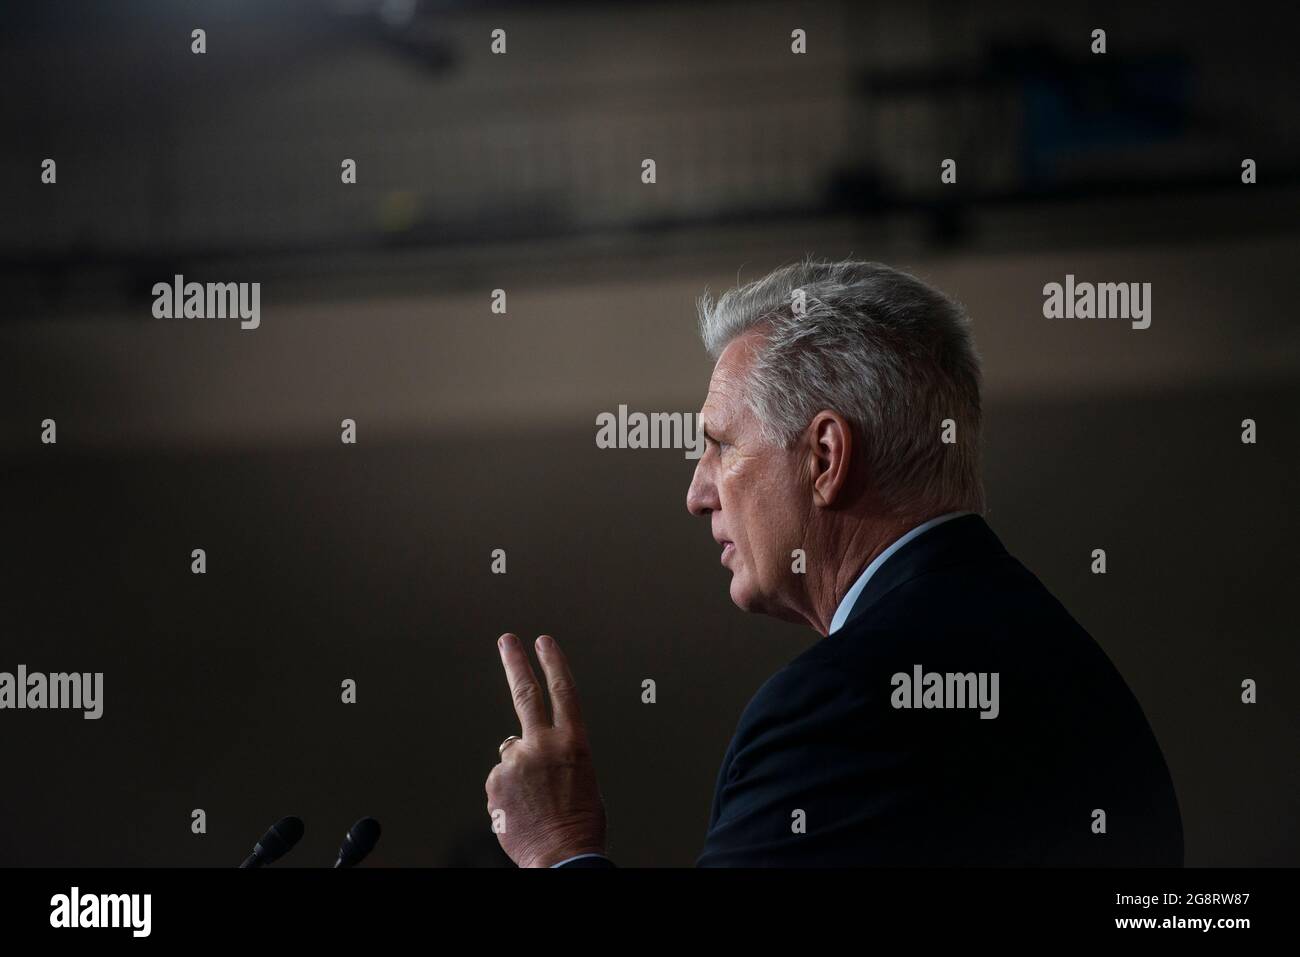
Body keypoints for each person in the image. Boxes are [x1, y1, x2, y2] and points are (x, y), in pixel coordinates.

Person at [484, 258, 1184, 867]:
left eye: (721, 444)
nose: (697, 493)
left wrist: (560, 846)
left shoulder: (847, 705)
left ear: (823, 457)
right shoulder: (1071, 665)